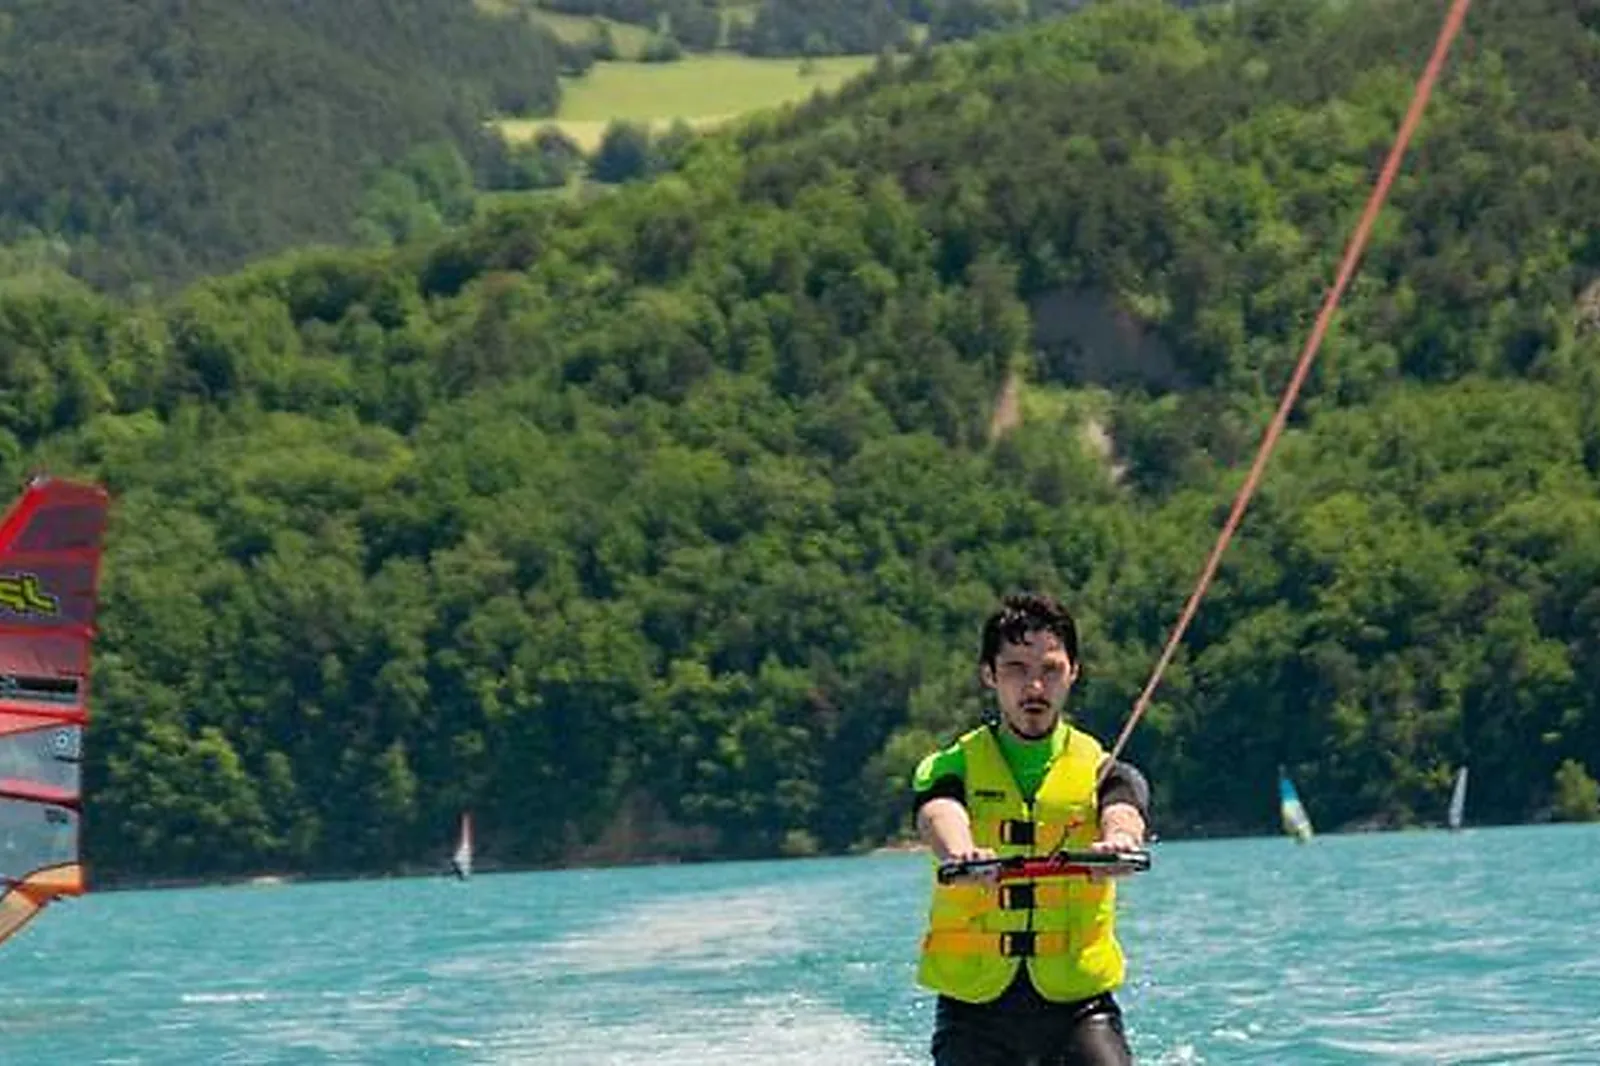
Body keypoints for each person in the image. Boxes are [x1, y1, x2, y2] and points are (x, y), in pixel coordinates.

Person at [912, 592, 1150, 1066]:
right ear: (989, 674)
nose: (1035, 686)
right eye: (1017, 669)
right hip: (974, 1014)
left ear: (1073, 672)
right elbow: (939, 810)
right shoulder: (951, 765)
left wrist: (1121, 839)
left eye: (1050, 669)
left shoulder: (1103, 768)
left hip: (1079, 1009)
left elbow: (1124, 806)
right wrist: (962, 853)